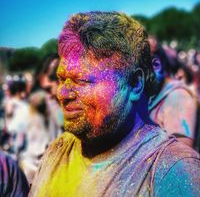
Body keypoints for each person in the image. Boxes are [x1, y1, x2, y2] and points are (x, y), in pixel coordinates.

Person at [30, 12, 200, 197]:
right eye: (62, 79)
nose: (62, 94)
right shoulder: (58, 150)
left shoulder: (171, 171)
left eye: (82, 81)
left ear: (134, 84)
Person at [148, 36, 197, 148]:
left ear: (156, 65)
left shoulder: (178, 97)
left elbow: (182, 156)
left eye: (139, 69)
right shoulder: (154, 94)